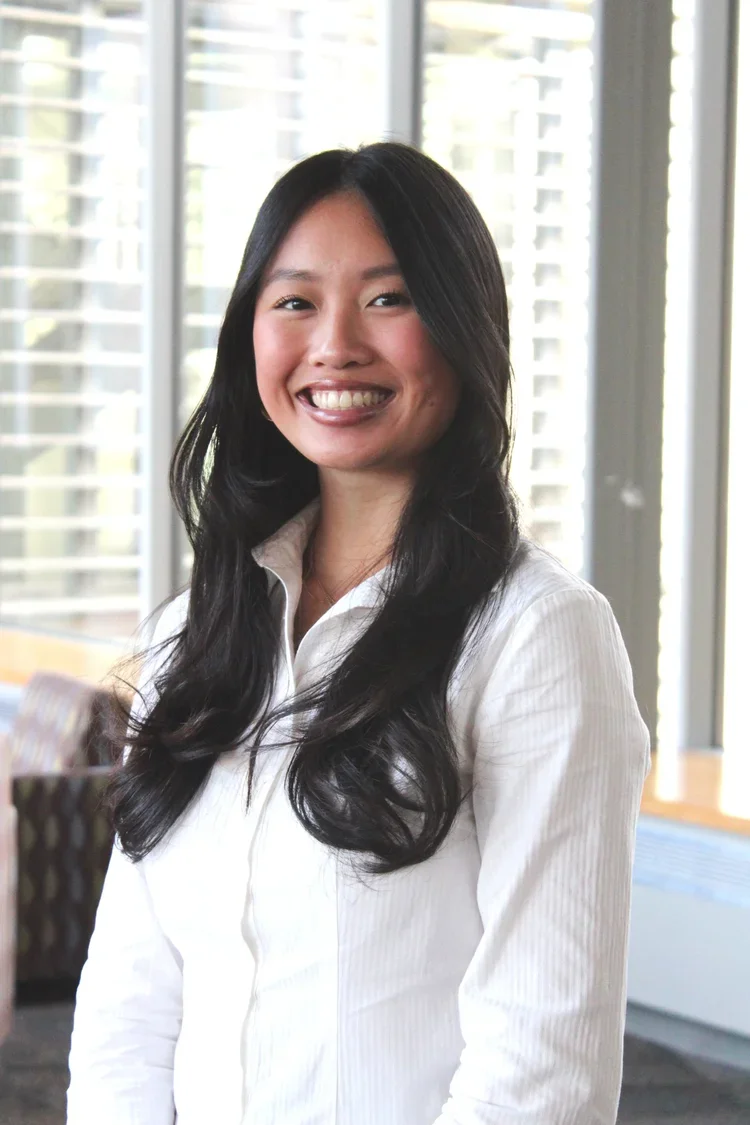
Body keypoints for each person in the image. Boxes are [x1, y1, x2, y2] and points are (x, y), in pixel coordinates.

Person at [67, 141, 650, 1125]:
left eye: (388, 299)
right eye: (295, 301)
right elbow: (130, 1007)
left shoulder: (538, 638)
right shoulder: (196, 633)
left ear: (463, 328)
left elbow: (543, 1063)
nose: (335, 345)